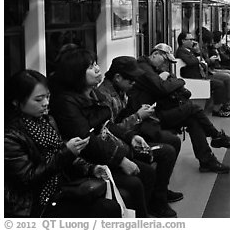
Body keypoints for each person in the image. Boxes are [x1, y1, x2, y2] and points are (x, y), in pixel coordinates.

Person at [49, 47, 172, 217]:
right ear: (76, 73)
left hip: (108, 149)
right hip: (86, 161)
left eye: (95, 64)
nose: (98, 69)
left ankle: (151, 207)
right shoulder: (66, 103)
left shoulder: (91, 94)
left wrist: (131, 136)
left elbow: (106, 124)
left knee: (149, 170)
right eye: (91, 67)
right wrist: (120, 160)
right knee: (135, 183)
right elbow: (87, 138)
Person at [4, 70, 121, 218]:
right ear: (17, 102)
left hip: (59, 188)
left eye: (47, 97)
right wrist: (67, 152)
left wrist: (90, 168)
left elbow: (61, 154)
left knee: (112, 203)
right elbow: (29, 178)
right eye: (38, 99)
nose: (46, 103)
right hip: (33, 203)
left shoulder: (46, 121)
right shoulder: (9, 136)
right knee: (107, 209)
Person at [127, 43, 230, 174]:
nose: (165, 65)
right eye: (164, 60)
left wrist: (169, 80)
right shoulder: (144, 68)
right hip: (151, 116)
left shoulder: (154, 69)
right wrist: (180, 81)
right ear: (155, 54)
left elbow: (169, 83)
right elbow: (163, 88)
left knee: (193, 120)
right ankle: (216, 137)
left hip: (157, 111)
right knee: (193, 108)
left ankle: (207, 160)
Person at [96, 56, 184, 208]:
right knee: (167, 151)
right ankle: (158, 201)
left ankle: (161, 189)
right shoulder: (105, 97)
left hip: (133, 132)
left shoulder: (123, 90)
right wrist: (138, 116)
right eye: (131, 80)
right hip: (119, 142)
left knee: (173, 140)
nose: (134, 83)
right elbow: (110, 130)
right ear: (118, 77)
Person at [175, 32, 230, 117]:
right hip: (194, 78)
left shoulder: (190, 51)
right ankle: (216, 110)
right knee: (219, 84)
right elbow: (191, 62)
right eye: (190, 40)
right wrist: (198, 59)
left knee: (222, 80)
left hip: (201, 74)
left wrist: (198, 52)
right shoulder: (181, 51)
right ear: (183, 41)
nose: (193, 42)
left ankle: (222, 105)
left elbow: (201, 60)